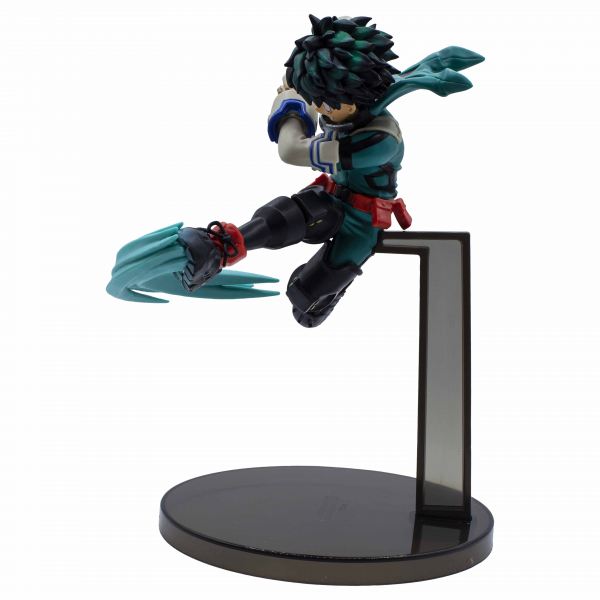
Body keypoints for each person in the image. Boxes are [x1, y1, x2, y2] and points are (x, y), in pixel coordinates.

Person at [107, 15, 483, 327]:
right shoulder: (344, 101)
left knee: (304, 300)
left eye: (325, 102)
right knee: (286, 214)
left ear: (350, 99)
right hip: (330, 195)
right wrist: (298, 92)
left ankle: (321, 296)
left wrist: (289, 103)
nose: (320, 108)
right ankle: (222, 247)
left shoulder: (378, 139)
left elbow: (292, 150)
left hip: (363, 221)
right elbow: (305, 123)